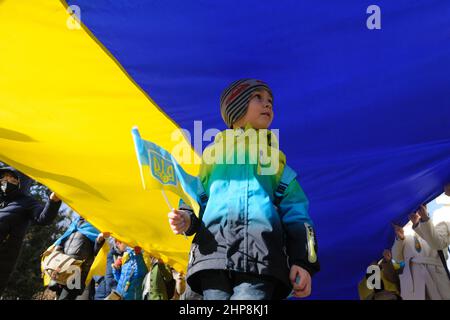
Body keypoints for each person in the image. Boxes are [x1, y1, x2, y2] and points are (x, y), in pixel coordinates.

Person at [168, 79, 320, 300]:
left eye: (270, 101)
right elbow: (195, 196)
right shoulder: (212, 157)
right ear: (236, 107)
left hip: (261, 258)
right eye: (257, 97)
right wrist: (187, 218)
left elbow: (297, 214)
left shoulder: (276, 163)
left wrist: (302, 262)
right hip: (213, 256)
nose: (267, 104)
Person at [0, 166, 61, 295]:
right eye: (4, 178)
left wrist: (53, 201)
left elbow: (43, 218)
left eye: (12, 179)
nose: (6, 182)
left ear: (21, 183)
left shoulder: (27, 203)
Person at [391, 195, 450, 300]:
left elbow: (437, 243)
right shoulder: (405, 232)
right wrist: (400, 239)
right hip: (414, 281)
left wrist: (423, 221)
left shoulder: (441, 223)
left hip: (436, 277)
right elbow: (397, 258)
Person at [51, 216, 103, 300]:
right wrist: (58, 246)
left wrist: (99, 241)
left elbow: (97, 252)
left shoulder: (98, 226)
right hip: (64, 264)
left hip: (78, 268)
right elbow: (64, 238)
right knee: (58, 294)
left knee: (67, 296)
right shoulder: (77, 222)